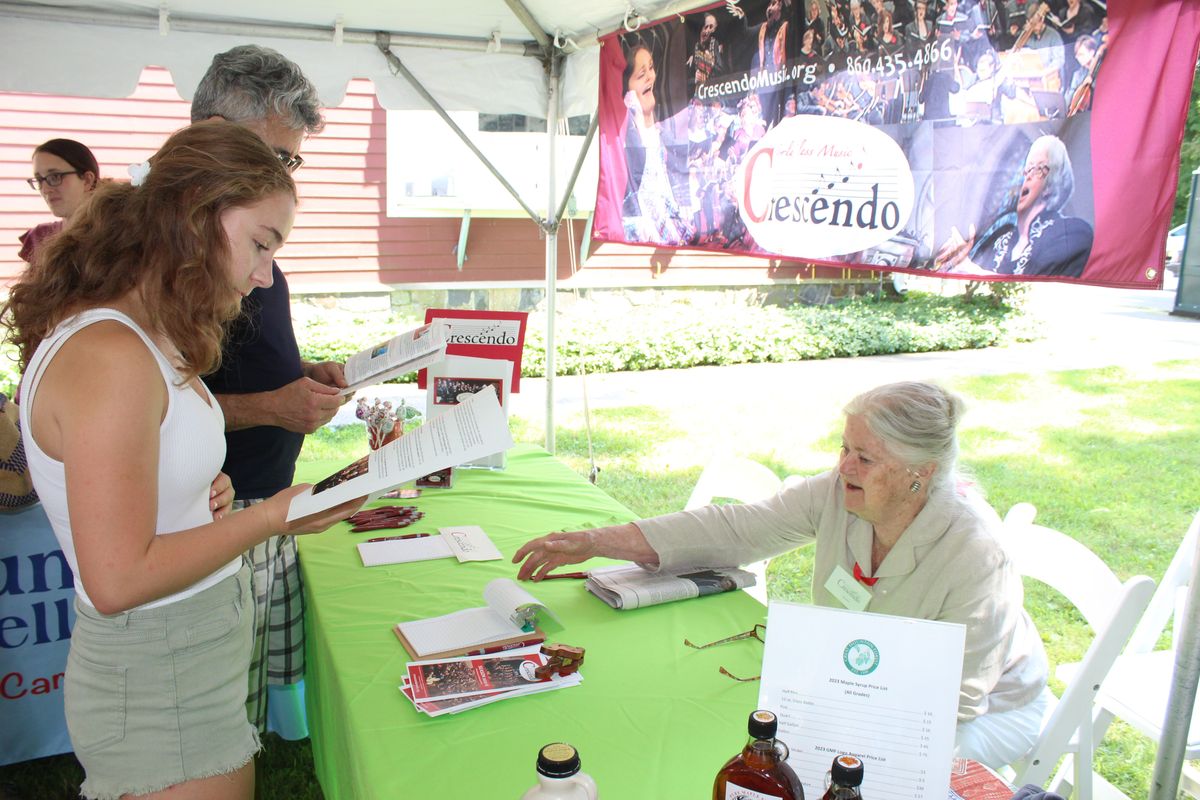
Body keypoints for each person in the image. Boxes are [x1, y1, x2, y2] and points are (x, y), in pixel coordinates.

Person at [2, 120, 362, 800]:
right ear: (194, 215)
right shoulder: (113, 354)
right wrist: (274, 517)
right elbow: (117, 578)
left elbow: (140, 466)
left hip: (182, 648)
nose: (263, 277)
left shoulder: (138, 333)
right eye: (262, 245)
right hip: (159, 665)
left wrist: (201, 485)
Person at [514, 381, 1051, 769]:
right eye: (844, 448)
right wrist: (595, 541)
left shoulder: (976, 555)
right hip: (859, 680)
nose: (844, 467)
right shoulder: (841, 493)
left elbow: (957, 701)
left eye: (865, 457)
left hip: (983, 712)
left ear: (922, 473)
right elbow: (736, 530)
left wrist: (843, 723)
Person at [192, 45, 349, 736]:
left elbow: (231, 360)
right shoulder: (173, 255)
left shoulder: (236, 238)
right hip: (216, 512)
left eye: (291, 162)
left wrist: (300, 374)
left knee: (245, 704)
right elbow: (156, 407)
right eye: (276, 157)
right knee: (216, 713)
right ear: (215, 135)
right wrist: (271, 407)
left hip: (260, 493)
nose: (284, 174)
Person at [935, 134, 1093, 277]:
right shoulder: (1000, 242)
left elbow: (1038, 290)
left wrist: (972, 270)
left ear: (1052, 185)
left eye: (1038, 169)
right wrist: (958, 259)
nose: (1028, 176)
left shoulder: (1072, 231)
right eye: (1027, 169)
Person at [620, 41, 695, 246]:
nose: (651, 76)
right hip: (642, 243)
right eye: (641, 74)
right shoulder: (627, 136)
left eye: (651, 68)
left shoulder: (662, 135)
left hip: (671, 241)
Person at [20, 138, 100, 263]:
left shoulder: (114, 236)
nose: (45, 189)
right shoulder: (40, 237)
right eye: (39, 179)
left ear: (87, 180)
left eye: (55, 176)